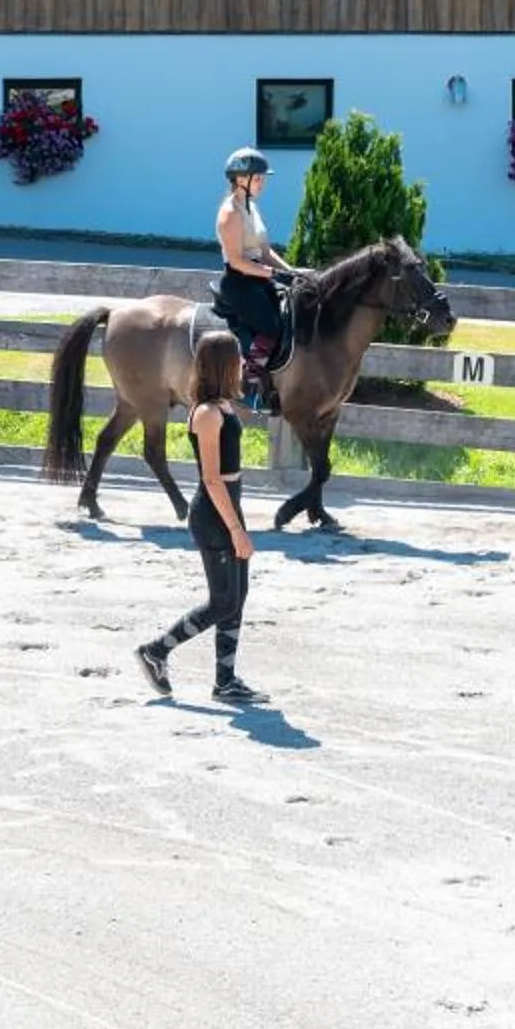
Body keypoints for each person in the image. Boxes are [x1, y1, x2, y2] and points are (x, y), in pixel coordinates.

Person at [134, 331, 268, 706]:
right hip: (213, 513)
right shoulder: (207, 414)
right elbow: (211, 478)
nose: (243, 362)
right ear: (222, 364)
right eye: (238, 357)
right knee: (223, 600)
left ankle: (225, 682)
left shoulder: (223, 404)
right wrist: (237, 530)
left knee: (237, 596)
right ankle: (156, 651)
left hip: (228, 506)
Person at [214, 147, 297, 410]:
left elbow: (264, 250)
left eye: (263, 178)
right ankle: (248, 385)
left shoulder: (252, 207)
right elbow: (238, 260)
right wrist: (273, 274)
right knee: (271, 327)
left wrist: (292, 271)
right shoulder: (230, 213)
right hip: (239, 281)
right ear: (240, 179)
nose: (262, 183)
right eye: (257, 178)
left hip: (258, 276)